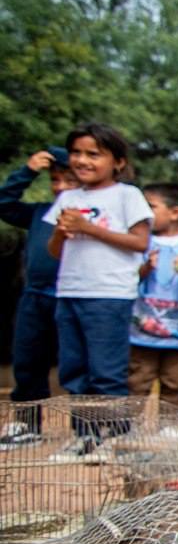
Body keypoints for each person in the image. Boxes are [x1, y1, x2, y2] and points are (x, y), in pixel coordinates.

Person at [45, 124, 152, 400]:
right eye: (76, 153)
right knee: (73, 369)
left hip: (109, 294)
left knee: (106, 371)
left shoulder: (127, 195)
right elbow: (55, 252)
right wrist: (59, 233)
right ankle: (85, 437)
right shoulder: (68, 197)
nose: (82, 160)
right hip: (69, 291)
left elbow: (140, 242)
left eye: (93, 154)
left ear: (118, 162)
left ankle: (115, 436)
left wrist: (88, 227)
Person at [0, 147, 78, 441]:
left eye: (68, 181)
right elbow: (4, 202)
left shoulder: (93, 216)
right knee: (28, 360)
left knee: (75, 363)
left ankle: (84, 429)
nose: (60, 187)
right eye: (55, 180)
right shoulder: (39, 213)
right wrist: (28, 171)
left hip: (73, 295)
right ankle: (27, 424)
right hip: (34, 296)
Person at [128, 183, 178, 407]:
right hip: (141, 329)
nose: (142, 213)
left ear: (175, 212)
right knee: (137, 381)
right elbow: (128, 279)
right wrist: (146, 268)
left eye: (150, 207)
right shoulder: (140, 241)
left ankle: (167, 428)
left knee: (176, 380)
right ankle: (131, 430)